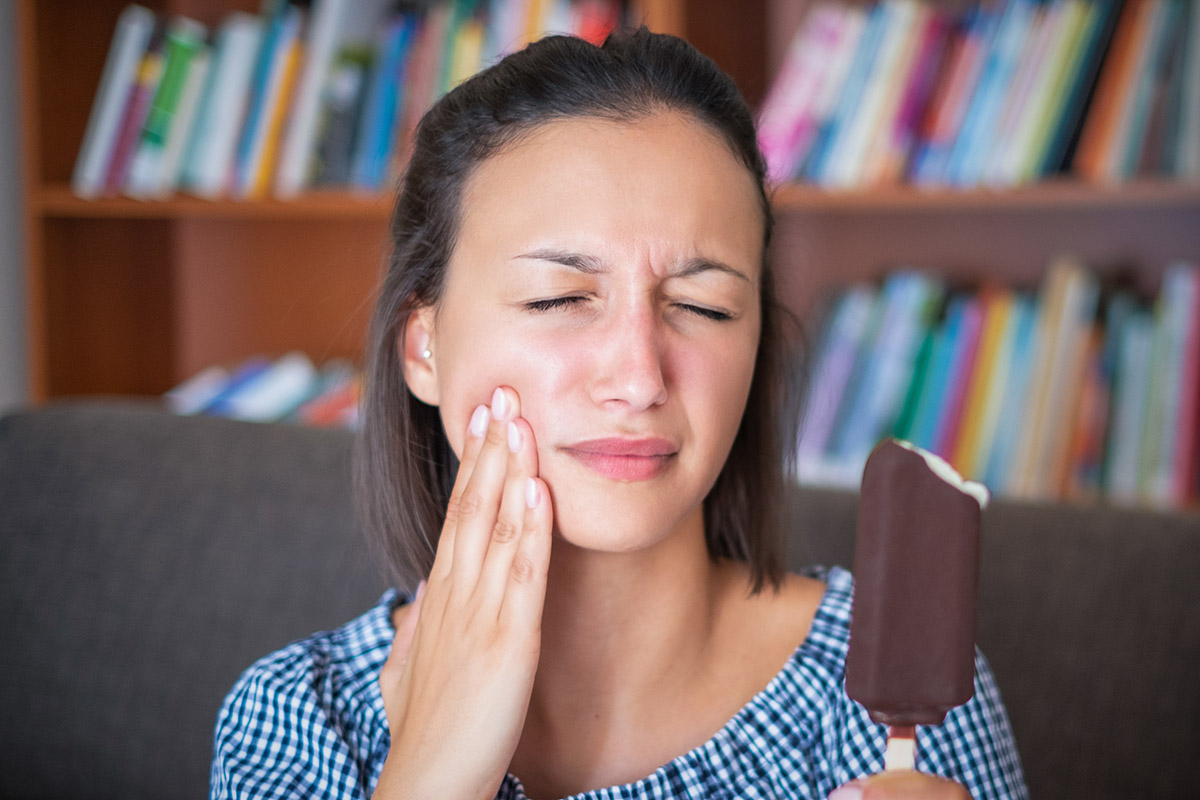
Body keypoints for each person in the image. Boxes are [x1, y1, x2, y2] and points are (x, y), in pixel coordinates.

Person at [211, 27, 1028, 800]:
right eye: (560, 297)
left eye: (705, 307)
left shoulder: (885, 697)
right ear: (423, 347)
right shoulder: (299, 719)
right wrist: (431, 777)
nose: (639, 378)